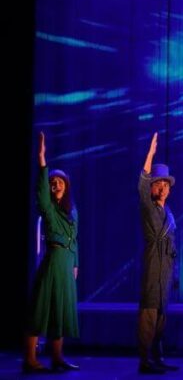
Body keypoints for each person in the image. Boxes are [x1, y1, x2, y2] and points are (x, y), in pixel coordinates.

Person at [23, 131, 80, 373]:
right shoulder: (48, 208)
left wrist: (75, 263)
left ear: (66, 186)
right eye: (52, 182)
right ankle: (30, 359)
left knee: (61, 310)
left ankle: (57, 357)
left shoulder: (72, 211)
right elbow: (41, 192)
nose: (56, 184)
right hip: (53, 260)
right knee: (40, 308)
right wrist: (41, 159)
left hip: (67, 263)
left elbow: (75, 240)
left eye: (60, 182)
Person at [137, 132, 179, 374]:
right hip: (153, 265)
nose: (162, 187)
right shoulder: (148, 208)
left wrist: (176, 274)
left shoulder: (169, 213)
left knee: (162, 317)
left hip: (166, 270)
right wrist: (150, 155)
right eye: (157, 184)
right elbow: (142, 188)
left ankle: (157, 356)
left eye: (165, 185)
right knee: (149, 315)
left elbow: (174, 246)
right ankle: (144, 361)